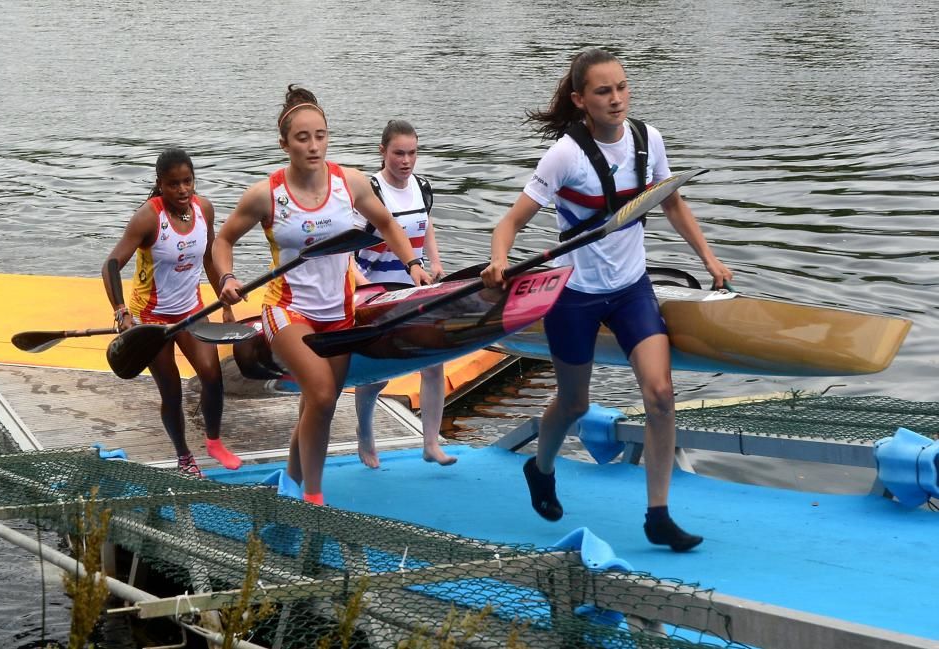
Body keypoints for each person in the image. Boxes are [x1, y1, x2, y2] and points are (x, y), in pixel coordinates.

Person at [480, 49, 732, 551]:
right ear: (581, 100)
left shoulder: (648, 139)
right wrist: (499, 260)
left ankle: (658, 514)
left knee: (660, 396)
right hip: (574, 294)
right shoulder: (564, 156)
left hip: (632, 290)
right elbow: (509, 223)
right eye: (602, 91)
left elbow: (673, 202)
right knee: (575, 402)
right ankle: (541, 466)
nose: (615, 98)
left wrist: (709, 259)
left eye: (621, 87)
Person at [213, 86, 430, 505]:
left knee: (319, 406)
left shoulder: (349, 183)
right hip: (286, 310)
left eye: (321, 136)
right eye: (302, 138)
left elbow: (386, 224)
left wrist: (413, 265)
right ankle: (314, 498)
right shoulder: (266, 195)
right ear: (284, 143)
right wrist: (226, 278)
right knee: (324, 394)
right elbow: (223, 240)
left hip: (339, 311)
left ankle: (290, 485)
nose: (313, 146)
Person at [103, 148, 242, 477]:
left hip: (191, 310)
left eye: (187, 182)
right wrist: (121, 311)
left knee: (212, 375)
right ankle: (183, 456)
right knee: (172, 389)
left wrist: (224, 295)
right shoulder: (148, 218)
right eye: (173, 184)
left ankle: (214, 441)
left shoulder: (203, 209)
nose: (182, 190)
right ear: (160, 185)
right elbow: (110, 266)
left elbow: (209, 258)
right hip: (153, 318)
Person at [352, 120, 455, 469]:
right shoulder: (370, 192)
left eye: (412, 153)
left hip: (415, 286)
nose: (406, 160)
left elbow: (426, 227)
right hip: (376, 291)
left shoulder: (422, 187)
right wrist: (361, 287)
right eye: (398, 153)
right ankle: (365, 434)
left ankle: (430, 444)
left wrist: (436, 264)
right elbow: (345, 249)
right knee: (377, 376)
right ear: (383, 152)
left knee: (434, 364)